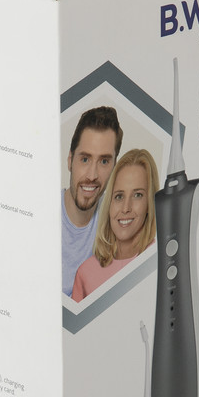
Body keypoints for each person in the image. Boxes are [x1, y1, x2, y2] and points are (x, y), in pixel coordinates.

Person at [71, 148, 159, 302]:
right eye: (119, 196)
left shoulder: (160, 261)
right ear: (109, 203)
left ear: (150, 203)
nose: (125, 208)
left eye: (137, 195)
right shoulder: (85, 273)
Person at [62, 106, 123, 296]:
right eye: (85, 159)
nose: (92, 175)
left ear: (114, 166)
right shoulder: (40, 214)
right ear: (70, 160)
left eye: (104, 161)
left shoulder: (118, 221)